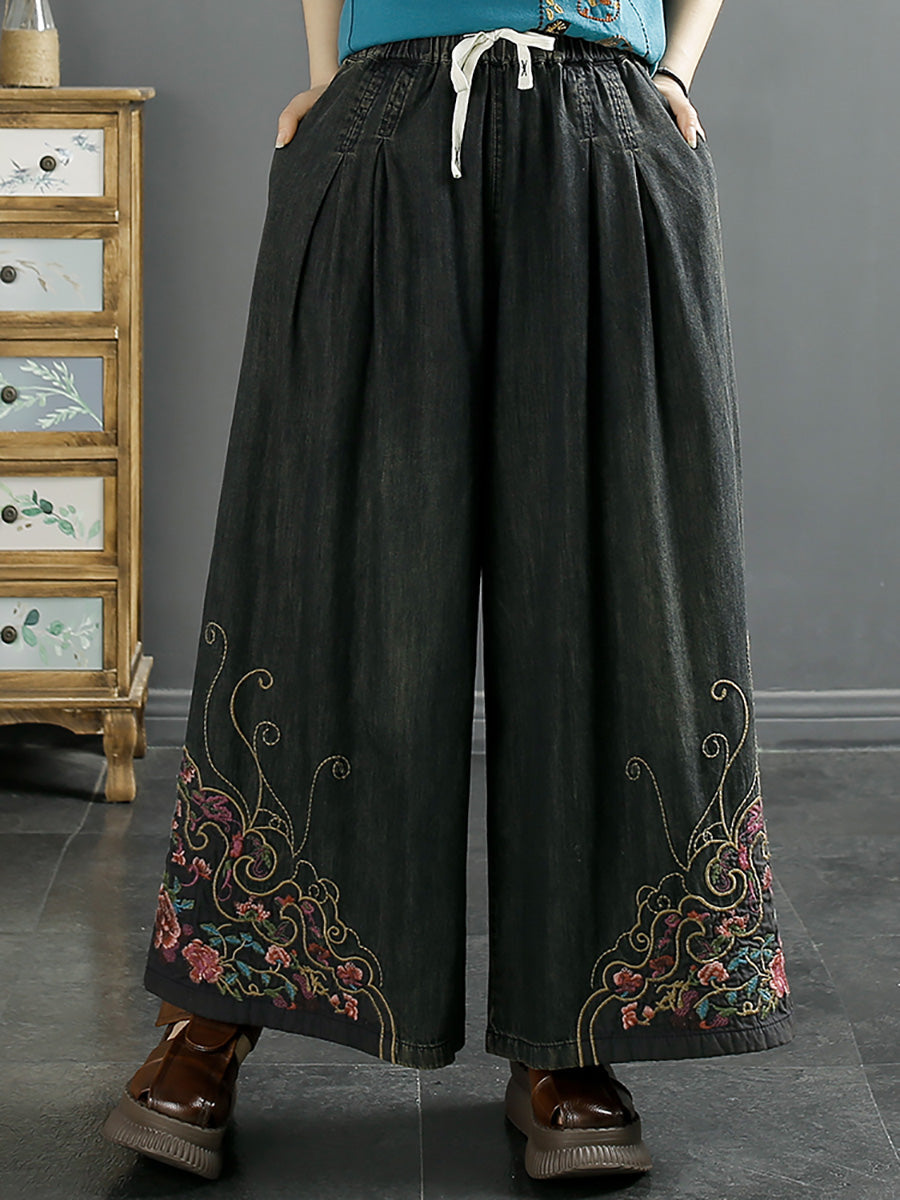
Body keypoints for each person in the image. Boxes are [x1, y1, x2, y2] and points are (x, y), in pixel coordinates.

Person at [102, 0, 795, 1182]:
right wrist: (326, 72)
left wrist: (675, 73)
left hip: (601, 109)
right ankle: (217, 1007)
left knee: (608, 585)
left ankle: (573, 1035)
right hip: (386, 110)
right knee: (316, 564)